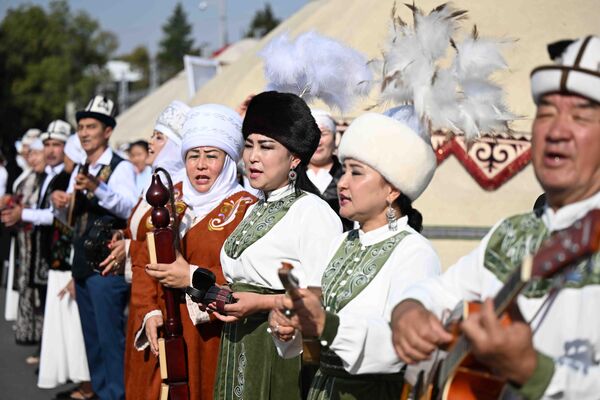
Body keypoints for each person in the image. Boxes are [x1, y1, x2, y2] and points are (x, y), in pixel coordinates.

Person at [391, 35, 600, 399]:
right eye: (546, 112)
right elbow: (442, 290)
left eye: (581, 116)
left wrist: (534, 372)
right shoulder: (514, 231)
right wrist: (410, 311)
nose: (556, 130)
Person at [270, 108, 441, 400]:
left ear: (392, 190)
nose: (342, 182)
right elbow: (311, 321)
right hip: (322, 388)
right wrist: (288, 324)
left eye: (356, 173)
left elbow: (400, 343)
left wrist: (328, 324)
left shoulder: (415, 253)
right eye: (344, 169)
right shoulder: (341, 243)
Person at [210, 91, 342, 400]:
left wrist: (261, 304)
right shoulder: (254, 207)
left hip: (280, 345)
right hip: (239, 342)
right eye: (249, 145)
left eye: (266, 147)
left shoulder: (313, 212)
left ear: (295, 157)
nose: (253, 157)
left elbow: (321, 297)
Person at [135, 104, 258, 400]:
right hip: (164, 330)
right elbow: (143, 258)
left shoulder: (248, 208)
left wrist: (191, 278)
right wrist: (149, 310)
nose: (200, 165)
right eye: (193, 155)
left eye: (211, 155)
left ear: (228, 161)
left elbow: (246, 278)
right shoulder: (168, 198)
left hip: (212, 335)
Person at [100, 100, 190, 400]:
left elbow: (163, 246)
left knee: (155, 382)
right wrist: (123, 240)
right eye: (153, 136)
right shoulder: (155, 185)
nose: (151, 143)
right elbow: (138, 231)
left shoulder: (181, 193)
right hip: (140, 295)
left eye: (159, 137)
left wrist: (131, 247)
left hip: (159, 300)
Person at [51, 95, 138, 400]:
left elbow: (129, 207)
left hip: (107, 263)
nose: (84, 133)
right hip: (83, 263)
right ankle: (103, 393)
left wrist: (97, 188)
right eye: (81, 128)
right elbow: (73, 216)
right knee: (93, 340)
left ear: (108, 131)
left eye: (91, 127)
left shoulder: (120, 167)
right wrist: (59, 204)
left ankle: (116, 394)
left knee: (110, 338)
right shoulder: (81, 169)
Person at [1, 138, 45, 347]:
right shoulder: (29, 175)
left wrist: (19, 210)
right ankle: (29, 332)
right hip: (24, 239)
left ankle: (37, 335)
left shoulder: (41, 178)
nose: (31, 157)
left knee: (35, 291)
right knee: (26, 287)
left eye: (35, 153)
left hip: (35, 239)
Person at [307, 109, 353, 231]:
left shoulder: (348, 175)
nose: (318, 141)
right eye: (312, 134)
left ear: (334, 138)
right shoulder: (292, 176)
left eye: (323, 133)